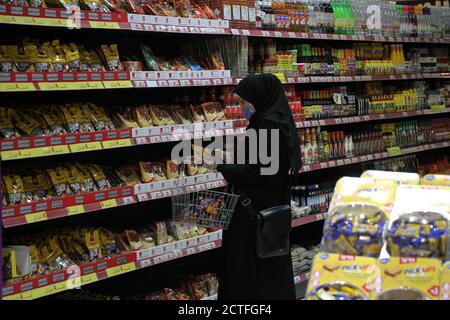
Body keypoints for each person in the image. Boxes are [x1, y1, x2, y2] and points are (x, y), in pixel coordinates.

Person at [214, 74, 301, 300]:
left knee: (250, 274)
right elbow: (264, 165)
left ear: (259, 97)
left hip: (254, 214)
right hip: (272, 211)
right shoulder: (280, 119)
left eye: (244, 102)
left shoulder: (267, 124)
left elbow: (253, 174)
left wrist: (221, 165)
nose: (242, 107)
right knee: (273, 269)